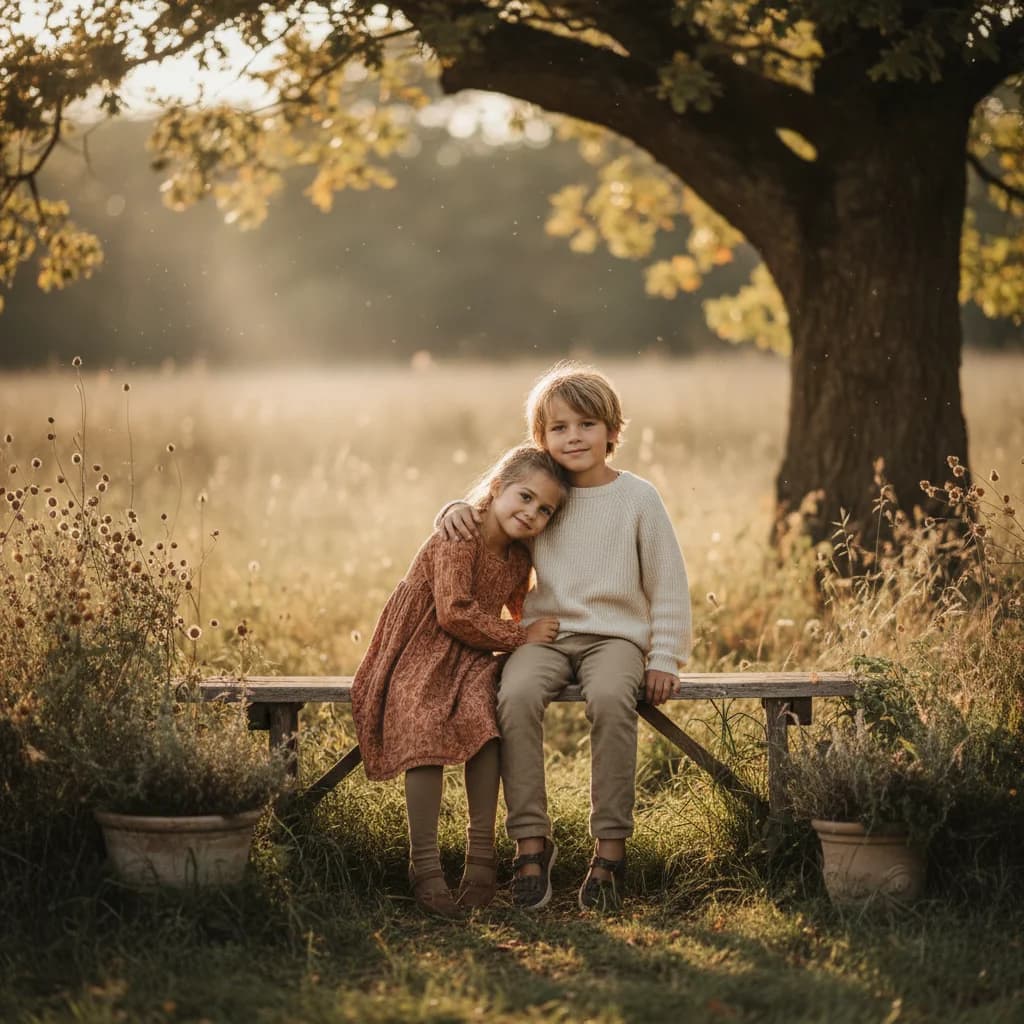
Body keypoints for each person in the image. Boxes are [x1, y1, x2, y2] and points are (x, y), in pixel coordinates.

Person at [439, 362, 692, 912]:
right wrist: (453, 507)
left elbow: (669, 583)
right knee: (516, 693)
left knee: (609, 698)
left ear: (612, 432)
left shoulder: (638, 499)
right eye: (558, 428)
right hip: (545, 636)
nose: (573, 437)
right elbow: (490, 514)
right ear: (541, 439)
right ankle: (531, 844)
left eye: (586, 424)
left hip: (616, 640)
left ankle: (609, 851)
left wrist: (664, 656)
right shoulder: (544, 498)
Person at [351, 445, 570, 919]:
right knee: (422, 720)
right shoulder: (461, 535)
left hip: (471, 654)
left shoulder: (517, 558)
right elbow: (452, 612)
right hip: (418, 645)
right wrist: (520, 635)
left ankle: (481, 859)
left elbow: (517, 608)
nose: (531, 513)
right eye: (525, 497)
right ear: (497, 488)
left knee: (484, 726)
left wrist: (535, 632)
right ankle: (425, 866)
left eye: (544, 509)